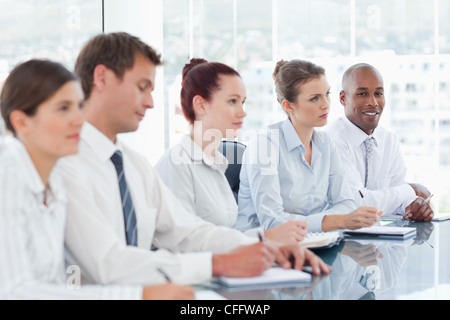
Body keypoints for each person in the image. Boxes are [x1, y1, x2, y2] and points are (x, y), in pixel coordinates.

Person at [57, 32, 330, 287]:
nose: (151, 103)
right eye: (142, 87)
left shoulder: (134, 165)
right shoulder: (64, 164)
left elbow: (188, 232)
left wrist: (266, 249)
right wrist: (219, 262)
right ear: (102, 78)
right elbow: (107, 262)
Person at [0, 59, 194, 300]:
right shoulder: (7, 181)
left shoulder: (53, 181)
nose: (78, 120)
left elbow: (63, 276)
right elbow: (14, 291)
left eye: (78, 106)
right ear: (21, 122)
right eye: (63, 108)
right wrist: (139, 296)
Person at [155, 58, 313, 245]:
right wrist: (265, 239)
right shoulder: (176, 165)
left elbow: (224, 235)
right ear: (201, 105)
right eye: (232, 101)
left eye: (243, 102)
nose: (242, 112)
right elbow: (184, 245)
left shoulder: (217, 163)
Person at [236, 59, 383, 234]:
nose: (326, 104)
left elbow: (346, 203)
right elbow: (273, 222)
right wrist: (338, 220)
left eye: (327, 94)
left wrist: (330, 221)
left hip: (313, 243)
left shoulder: (325, 144)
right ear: (288, 106)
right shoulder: (264, 145)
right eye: (314, 98)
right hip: (262, 251)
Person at [326, 63, 434, 222]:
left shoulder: (389, 140)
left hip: (382, 241)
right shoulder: (331, 141)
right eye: (362, 94)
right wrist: (411, 190)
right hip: (342, 240)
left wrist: (413, 205)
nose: (373, 102)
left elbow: (398, 195)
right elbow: (356, 205)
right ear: (343, 98)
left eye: (378, 93)